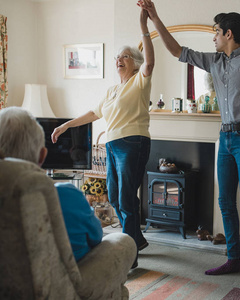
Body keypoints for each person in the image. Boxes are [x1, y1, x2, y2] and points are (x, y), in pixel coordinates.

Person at [138, 0, 240, 275]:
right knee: (224, 202)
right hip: (225, 137)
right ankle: (234, 259)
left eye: (216, 32)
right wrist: (154, 18)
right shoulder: (214, 61)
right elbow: (176, 50)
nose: (213, 37)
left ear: (228, 34)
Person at [51, 0, 155, 268]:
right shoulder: (111, 90)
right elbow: (92, 114)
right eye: (116, 57)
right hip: (112, 144)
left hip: (133, 141)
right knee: (117, 194)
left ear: (135, 63)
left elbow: (151, 61)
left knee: (125, 196)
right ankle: (136, 239)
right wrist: (65, 126)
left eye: (124, 56)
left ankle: (130, 254)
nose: (118, 60)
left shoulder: (140, 81)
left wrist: (143, 26)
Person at [0, 107, 103, 262]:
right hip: (65, 281)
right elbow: (96, 236)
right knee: (123, 243)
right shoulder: (68, 195)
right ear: (43, 155)